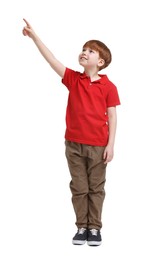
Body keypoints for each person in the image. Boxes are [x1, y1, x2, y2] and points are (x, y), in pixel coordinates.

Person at [22, 18, 120, 246]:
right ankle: (81, 227)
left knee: (96, 187)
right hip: (74, 144)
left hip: (98, 146)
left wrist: (111, 145)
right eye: (83, 49)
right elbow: (52, 60)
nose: (84, 52)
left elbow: (113, 116)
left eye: (91, 51)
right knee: (79, 187)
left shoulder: (109, 87)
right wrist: (35, 37)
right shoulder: (73, 79)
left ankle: (94, 228)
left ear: (101, 61)